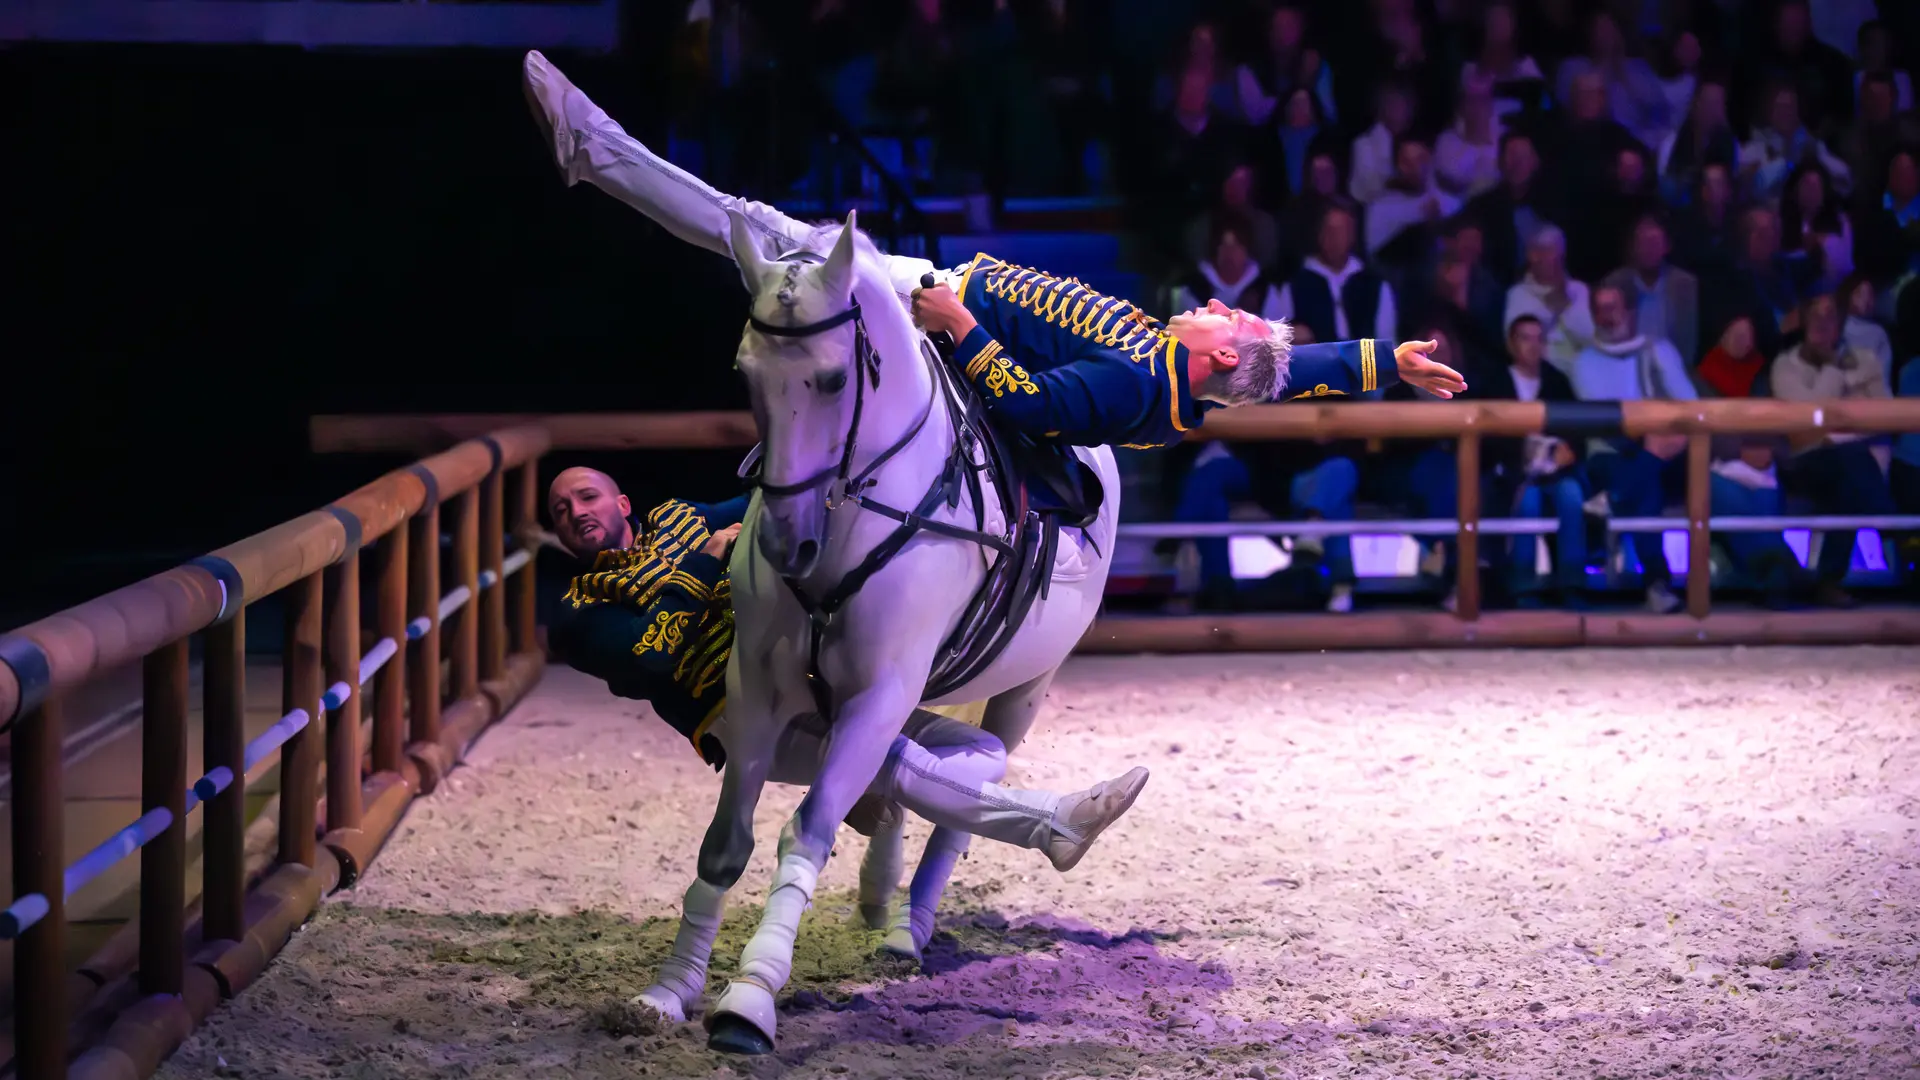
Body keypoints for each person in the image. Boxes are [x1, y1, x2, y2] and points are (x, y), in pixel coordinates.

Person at [521, 51, 1467, 459]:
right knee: (772, 235)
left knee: (770, 232)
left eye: (1226, 317)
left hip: (941, 309)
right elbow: (1296, 369)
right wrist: (1390, 361)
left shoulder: (1137, 387)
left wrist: (965, 324)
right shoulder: (1191, 367)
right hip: (947, 296)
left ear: (1217, 353)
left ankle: (597, 154)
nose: (1215, 306)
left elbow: (1031, 404)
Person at [532, 466, 1150, 893]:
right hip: (734, 718)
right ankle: (1049, 822)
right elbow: (655, 657)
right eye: (561, 510)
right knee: (891, 753)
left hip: (805, 678)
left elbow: (768, 498)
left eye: (586, 497)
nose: (575, 512)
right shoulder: (577, 609)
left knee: (982, 748)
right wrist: (711, 560)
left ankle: (886, 815)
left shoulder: (680, 516)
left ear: (620, 504)